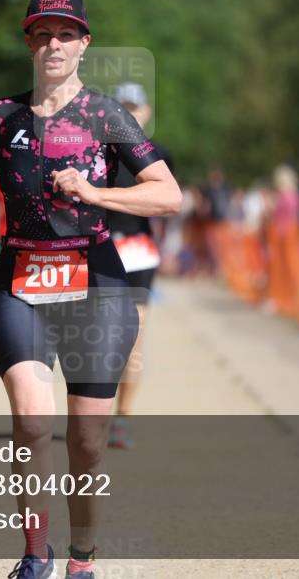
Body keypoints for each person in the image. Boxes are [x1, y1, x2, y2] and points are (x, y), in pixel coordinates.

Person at [0, 0, 181, 579]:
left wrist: (96, 192)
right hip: (20, 277)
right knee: (32, 419)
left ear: (83, 44)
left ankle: (82, 559)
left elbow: (168, 193)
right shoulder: (2, 116)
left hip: (96, 283)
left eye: (65, 34)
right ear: (29, 43)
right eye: (41, 33)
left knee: (85, 439)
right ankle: (36, 555)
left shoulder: (107, 116)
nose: (52, 44)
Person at [105, 82, 174, 449]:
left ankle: (122, 418)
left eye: (135, 106)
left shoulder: (159, 154)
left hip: (138, 252)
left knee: (133, 339)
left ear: (146, 112)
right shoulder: (96, 151)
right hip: (98, 249)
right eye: (122, 105)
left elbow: (167, 202)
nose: (129, 112)